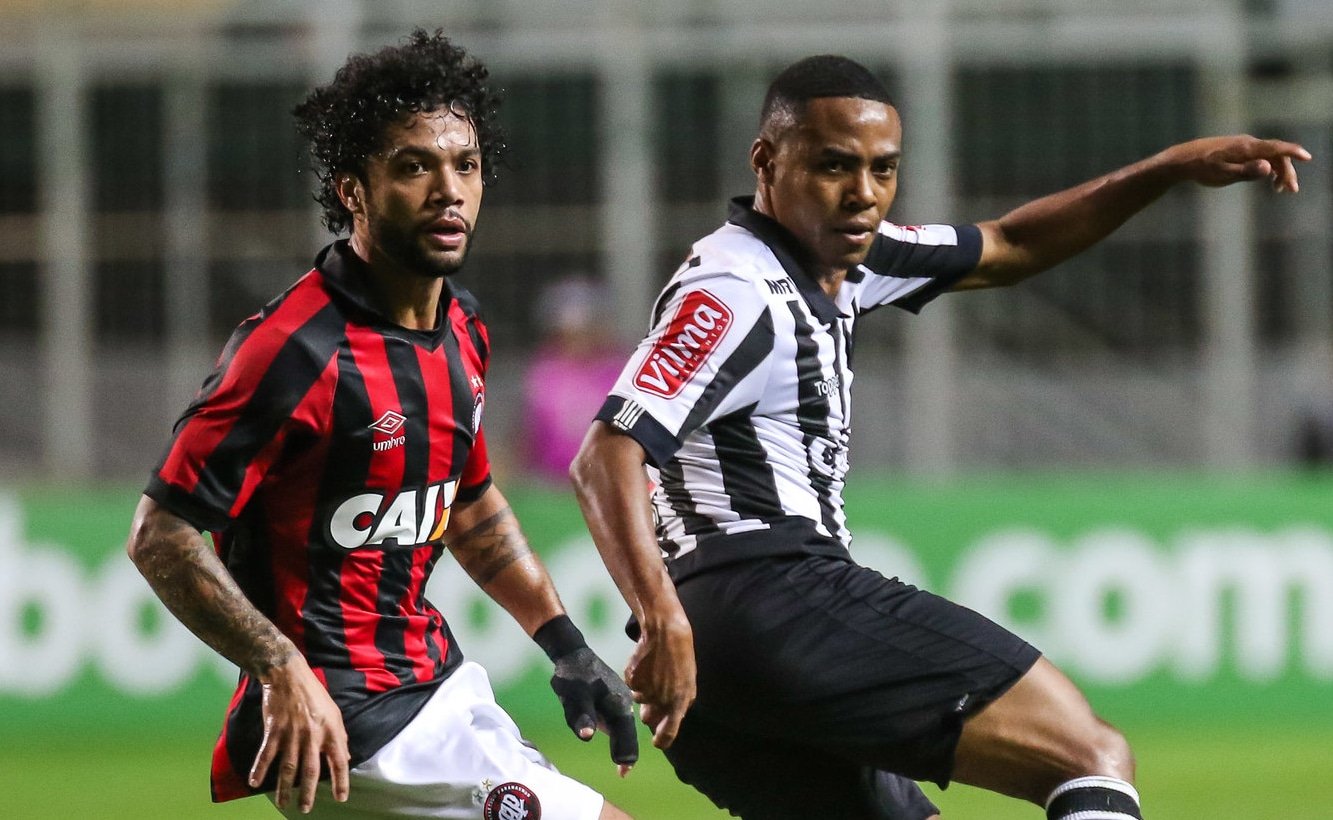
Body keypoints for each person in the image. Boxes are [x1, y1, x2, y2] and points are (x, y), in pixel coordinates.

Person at [569, 55, 1311, 820]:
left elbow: (1012, 245)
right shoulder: (733, 290)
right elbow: (606, 455)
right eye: (832, 166)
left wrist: (1165, 169)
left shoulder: (844, 258)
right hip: (767, 594)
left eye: (881, 169)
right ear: (766, 160)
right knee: (1088, 755)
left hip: (719, 661)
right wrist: (660, 620)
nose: (862, 193)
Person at [126, 30, 636, 820]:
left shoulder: (462, 327)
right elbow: (161, 535)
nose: (448, 190)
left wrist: (563, 642)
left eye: (464, 165)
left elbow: (466, 504)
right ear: (352, 191)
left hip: (435, 684)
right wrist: (279, 670)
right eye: (412, 167)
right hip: (351, 724)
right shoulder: (294, 349)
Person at [522, 276, 628, 482]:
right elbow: (530, 436)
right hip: (552, 486)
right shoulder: (545, 372)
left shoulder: (620, 371)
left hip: (607, 481)